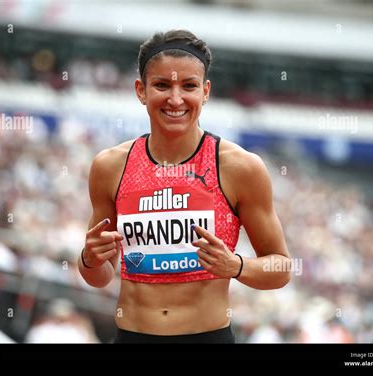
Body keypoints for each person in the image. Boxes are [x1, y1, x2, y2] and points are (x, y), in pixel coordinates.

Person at [78, 29, 291, 344]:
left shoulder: (240, 167)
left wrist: (236, 266)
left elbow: (281, 267)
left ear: (205, 91)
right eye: (162, 85)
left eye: (188, 86)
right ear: (141, 90)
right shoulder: (110, 166)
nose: (175, 99)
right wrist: (88, 259)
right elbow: (99, 276)